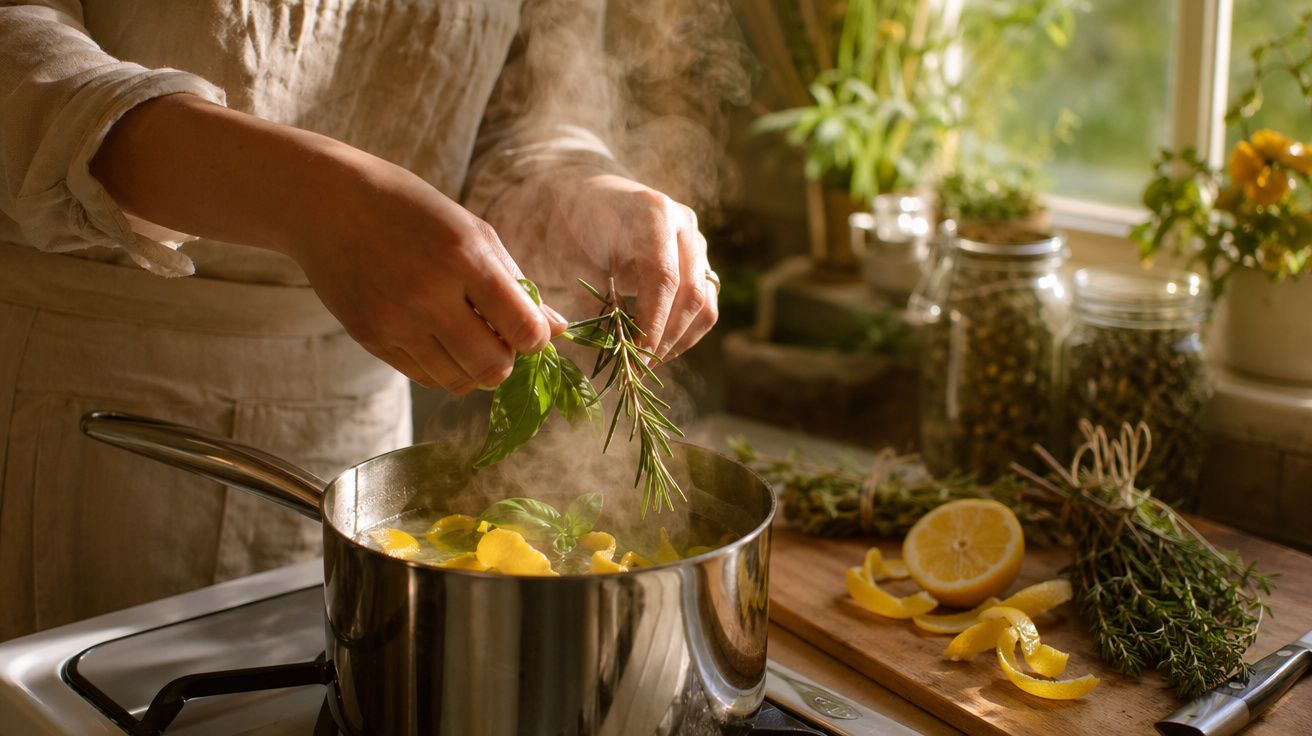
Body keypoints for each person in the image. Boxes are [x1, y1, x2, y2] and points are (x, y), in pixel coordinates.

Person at [0, 0, 719, 641]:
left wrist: (579, 192)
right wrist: (310, 197)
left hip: (352, 426)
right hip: (75, 407)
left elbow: (528, 112)